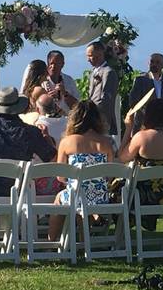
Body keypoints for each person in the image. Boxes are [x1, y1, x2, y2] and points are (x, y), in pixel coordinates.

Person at [0, 87, 57, 195]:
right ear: (19, 107)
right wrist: (46, 137)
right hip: (18, 192)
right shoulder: (30, 132)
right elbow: (52, 159)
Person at [48, 100, 116, 241]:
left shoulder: (67, 142)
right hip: (100, 198)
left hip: (76, 196)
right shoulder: (106, 142)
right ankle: (83, 240)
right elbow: (109, 175)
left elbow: (60, 177)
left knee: (59, 199)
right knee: (84, 200)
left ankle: (52, 240)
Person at [119, 98, 163, 230]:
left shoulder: (142, 137)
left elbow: (122, 158)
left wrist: (128, 128)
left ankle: (119, 234)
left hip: (141, 198)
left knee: (116, 192)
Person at [129, 52, 163, 130]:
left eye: (157, 62)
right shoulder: (140, 80)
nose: (154, 64)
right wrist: (148, 114)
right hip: (144, 124)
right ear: (148, 63)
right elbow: (133, 102)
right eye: (152, 62)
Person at [86, 41, 120, 135]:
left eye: (90, 56)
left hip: (102, 122)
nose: (88, 59)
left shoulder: (108, 72)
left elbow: (106, 100)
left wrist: (96, 117)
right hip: (92, 122)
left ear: (100, 54)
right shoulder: (92, 72)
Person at [41, 50, 80, 114]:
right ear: (47, 64)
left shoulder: (69, 80)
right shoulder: (42, 81)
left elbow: (77, 106)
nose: (53, 66)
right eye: (51, 63)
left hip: (66, 120)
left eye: (56, 63)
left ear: (62, 64)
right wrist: (48, 98)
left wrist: (64, 93)